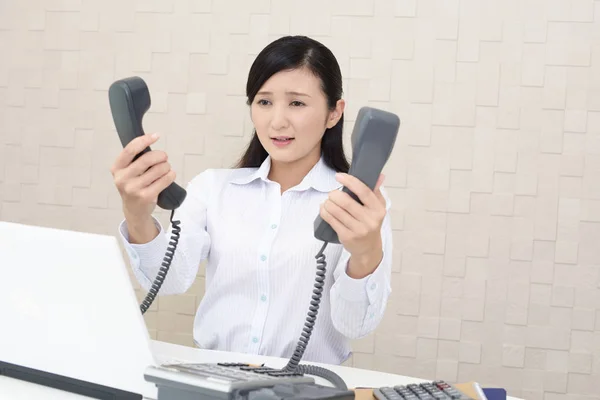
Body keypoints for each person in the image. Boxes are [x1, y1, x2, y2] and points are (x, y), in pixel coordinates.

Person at [110, 35, 393, 366]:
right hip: (213, 382)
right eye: (264, 102)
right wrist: (137, 215)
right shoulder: (212, 188)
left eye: (297, 103)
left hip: (306, 388)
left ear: (334, 113)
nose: (277, 121)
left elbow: (355, 326)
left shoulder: (359, 204)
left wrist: (365, 253)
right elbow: (169, 280)